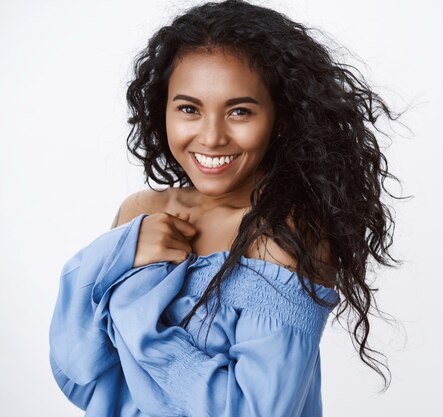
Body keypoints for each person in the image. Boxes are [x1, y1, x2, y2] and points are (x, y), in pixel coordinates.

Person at [49, 0, 407, 416]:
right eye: (189, 109)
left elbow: (251, 411)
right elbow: (79, 369)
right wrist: (118, 251)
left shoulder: (282, 235)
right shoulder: (140, 213)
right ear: (161, 109)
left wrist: (135, 318)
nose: (212, 136)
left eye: (239, 111)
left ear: (281, 118)